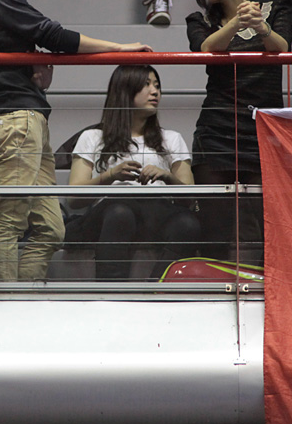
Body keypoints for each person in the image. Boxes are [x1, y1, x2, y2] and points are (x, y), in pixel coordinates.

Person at [0, 0, 152, 281]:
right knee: (12, 218)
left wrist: (30, 67)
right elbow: (55, 35)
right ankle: (2, 308)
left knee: (52, 228)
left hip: (29, 118)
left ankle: (25, 299)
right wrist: (117, 48)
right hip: (14, 121)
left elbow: (35, 44)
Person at [186, 0, 292, 256]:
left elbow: (282, 47)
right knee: (215, 234)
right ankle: (212, 300)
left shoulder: (279, 7)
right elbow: (204, 49)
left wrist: (261, 26)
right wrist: (236, 22)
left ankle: (265, 302)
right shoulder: (200, 19)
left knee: (265, 231)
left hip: (263, 133)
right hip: (216, 133)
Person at [66, 65, 200, 279]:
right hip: (110, 213)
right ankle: (112, 293)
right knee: (120, 211)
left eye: (157, 86)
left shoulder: (171, 138)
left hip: (156, 210)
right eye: (146, 85)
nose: (155, 92)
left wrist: (166, 176)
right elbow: (73, 197)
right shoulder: (92, 137)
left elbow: (191, 198)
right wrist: (110, 176)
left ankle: (157, 288)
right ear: (125, 91)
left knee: (188, 223)